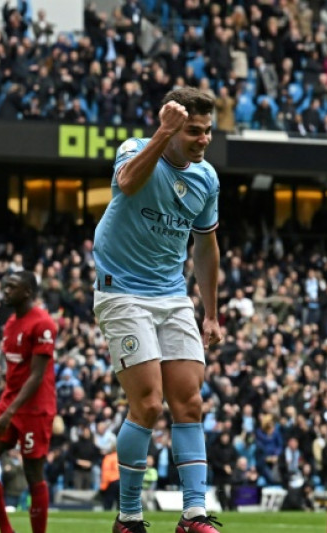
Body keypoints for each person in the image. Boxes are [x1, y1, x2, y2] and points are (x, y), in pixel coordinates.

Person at [92, 86, 223, 533]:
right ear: (171, 128)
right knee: (147, 405)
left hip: (171, 295)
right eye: (192, 131)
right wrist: (161, 133)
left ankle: (193, 515)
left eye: (207, 131)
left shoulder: (207, 178)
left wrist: (210, 312)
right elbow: (127, 183)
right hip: (122, 290)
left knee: (189, 402)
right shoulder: (135, 150)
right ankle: (129, 516)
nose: (202, 139)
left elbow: (206, 247)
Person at [0, 271, 57, 533]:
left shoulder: (43, 324)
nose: (5, 291)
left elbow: (36, 376)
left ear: (27, 292)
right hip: (10, 401)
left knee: (33, 475)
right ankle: (6, 530)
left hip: (34, 408)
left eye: (12, 287)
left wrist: (9, 412)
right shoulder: (10, 323)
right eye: (5, 286)